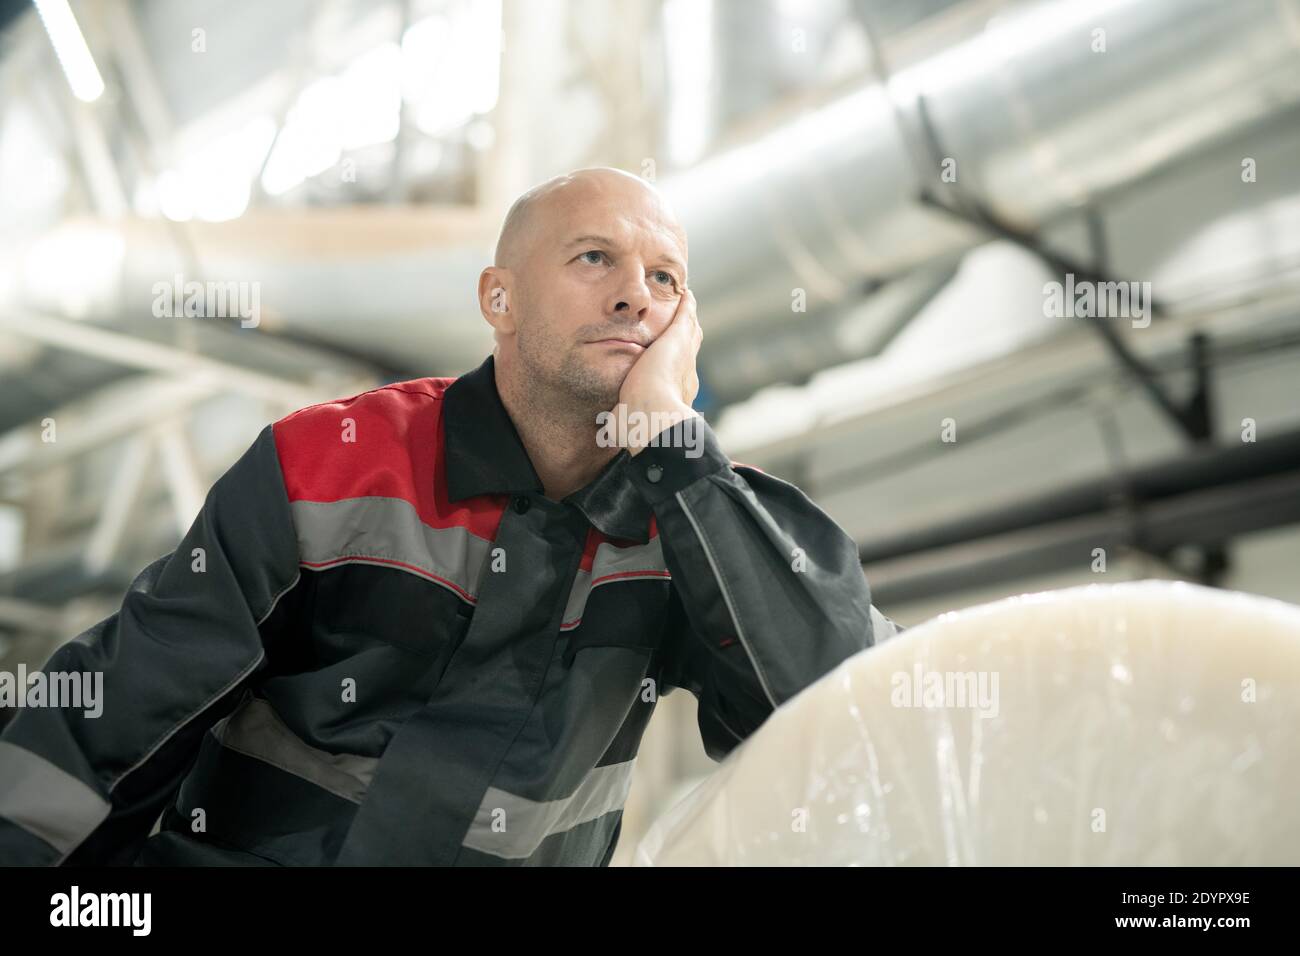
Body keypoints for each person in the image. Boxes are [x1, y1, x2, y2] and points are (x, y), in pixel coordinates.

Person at [0, 167, 901, 867]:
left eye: (664, 277)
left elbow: (849, 712)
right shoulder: (332, 464)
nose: (636, 294)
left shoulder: (703, 517)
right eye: (595, 258)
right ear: (497, 300)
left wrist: (671, 439)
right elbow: (102, 732)